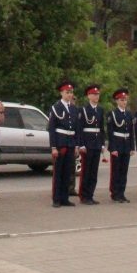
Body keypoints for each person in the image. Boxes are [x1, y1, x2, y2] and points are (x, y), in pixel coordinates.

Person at [47, 80, 78, 208]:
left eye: (71, 92)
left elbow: (76, 128)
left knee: (68, 172)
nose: (69, 94)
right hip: (60, 143)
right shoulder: (56, 107)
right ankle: (56, 198)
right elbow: (52, 128)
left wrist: (76, 145)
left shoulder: (73, 108)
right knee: (58, 172)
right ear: (61, 93)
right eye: (67, 92)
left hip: (71, 142)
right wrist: (53, 147)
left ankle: (65, 198)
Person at [77, 85, 104, 205]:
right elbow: (80, 128)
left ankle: (90, 195)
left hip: (97, 144)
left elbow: (102, 128)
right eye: (93, 94)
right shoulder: (83, 110)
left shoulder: (100, 110)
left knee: (94, 172)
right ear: (88, 96)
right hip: (87, 144)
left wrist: (102, 143)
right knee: (86, 171)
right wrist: (81, 144)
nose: (96, 96)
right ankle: (84, 195)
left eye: (97, 94)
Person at [106, 88, 133, 203]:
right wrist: (113, 148)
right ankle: (115, 193)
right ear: (117, 101)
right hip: (117, 144)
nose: (124, 102)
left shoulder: (128, 114)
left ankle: (121, 193)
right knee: (116, 170)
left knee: (124, 171)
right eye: (122, 100)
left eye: (125, 100)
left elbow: (131, 132)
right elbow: (110, 132)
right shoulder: (112, 114)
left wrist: (132, 147)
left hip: (126, 144)